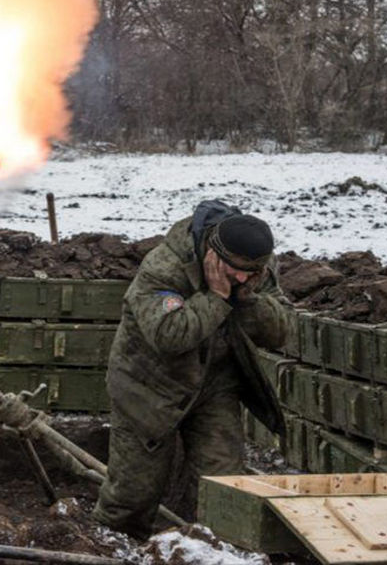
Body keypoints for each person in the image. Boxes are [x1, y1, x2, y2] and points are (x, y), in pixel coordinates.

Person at [92, 199, 289, 539]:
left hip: (215, 385)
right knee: (133, 494)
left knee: (222, 483)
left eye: (251, 272)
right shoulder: (164, 267)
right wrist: (216, 298)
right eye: (235, 270)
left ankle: (214, 549)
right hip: (148, 387)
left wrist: (246, 299)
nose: (243, 278)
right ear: (213, 253)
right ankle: (112, 545)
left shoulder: (255, 269)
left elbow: (281, 331)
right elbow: (169, 335)